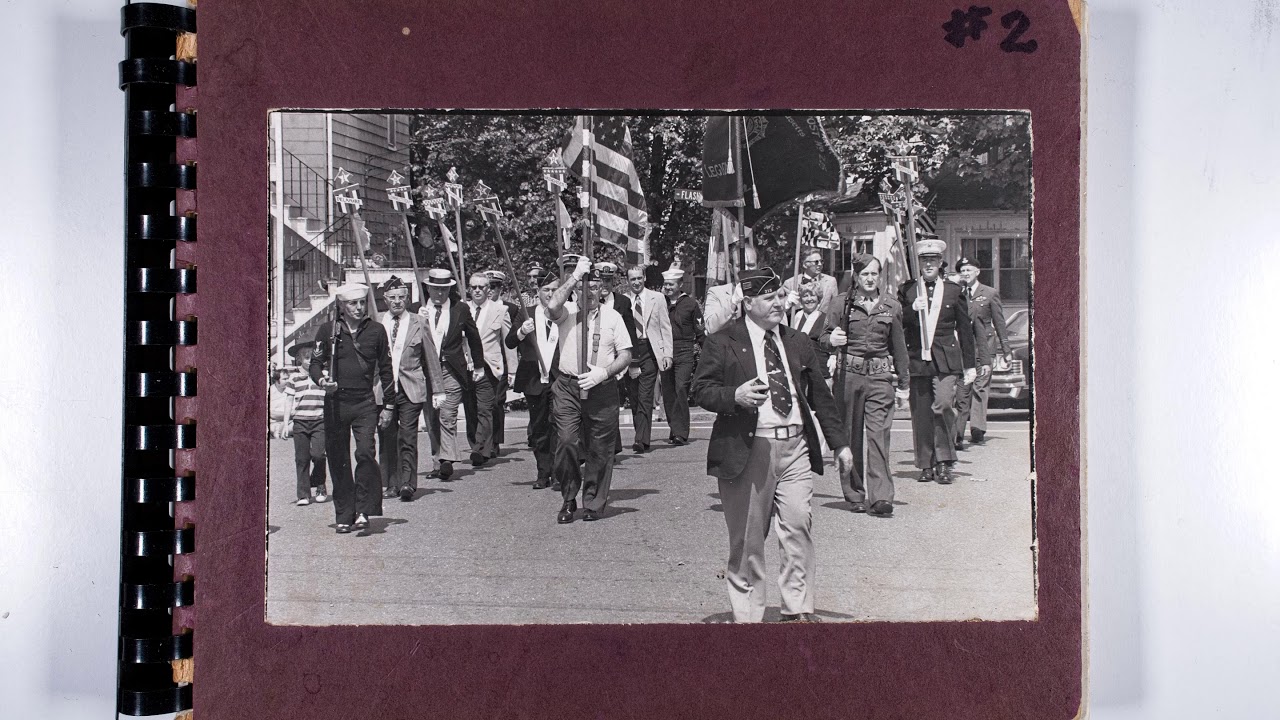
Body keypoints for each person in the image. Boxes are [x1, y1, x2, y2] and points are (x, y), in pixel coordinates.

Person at [690, 267, 852, 623]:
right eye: (769, 298)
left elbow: (820, 397)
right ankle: (749, 616)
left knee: (797, 527)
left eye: (780, 295)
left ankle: (797, 611)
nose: (780, 303)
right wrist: (734, 395)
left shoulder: (796, 340)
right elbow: (700, 389)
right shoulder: (722, 341)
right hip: (750, 450)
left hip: (794, 447)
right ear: (748, 303)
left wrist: (840, 444)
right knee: (749, 541)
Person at [545, 255, 633, 523]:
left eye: (595, 286)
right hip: (568, 386)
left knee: (600, 448)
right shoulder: (567, 312)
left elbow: (626, 354)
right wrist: (573, 277)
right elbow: (551, 305)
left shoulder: (613, 317)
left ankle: (593, 502)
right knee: (567, 441)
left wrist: (604, 373)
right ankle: (569, 498)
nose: (591, 292)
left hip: (601, 388)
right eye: (585, 286)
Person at [821, 254, 910, 517]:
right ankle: (855, 494)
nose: (870, 278)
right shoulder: (840, 304)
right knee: (850, 436)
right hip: (849, 376)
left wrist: (904, 384)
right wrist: (832, 340)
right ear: (856, 277)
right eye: (865, 274)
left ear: (880, 275)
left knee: (878, 436)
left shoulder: (891, 306)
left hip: (881, 378)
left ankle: (881, 496)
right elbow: (823, 337)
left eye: (874, 273)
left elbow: (899, 348)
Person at [309, 283, 396, 534]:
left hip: (365, 402)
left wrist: (388, 405)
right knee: (338, 458)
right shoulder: (328, 330)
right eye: (352, 304)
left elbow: (387, 370)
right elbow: (315, 363)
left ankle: (363, 510)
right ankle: (344, 514)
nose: (358, 308)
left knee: (366, 453)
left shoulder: (376, 331)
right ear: (342, 306)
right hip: (335, 402)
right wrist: (322, 380)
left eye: (361, 303)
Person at [898, 240, 977, 485]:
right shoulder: (908, 290)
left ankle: (945, 461)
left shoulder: (954, 291)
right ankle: (926, 464)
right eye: (924, 260)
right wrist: (911, 309)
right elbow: (898, 325)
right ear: (919, 263)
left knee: (942, 405)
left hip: (946, 358)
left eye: (933, 259)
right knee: (921, 413)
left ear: (941, 262)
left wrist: (970, 364)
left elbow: (965, 329)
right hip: (918, 359)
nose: (929, 264)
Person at [377, 277, 446, 502]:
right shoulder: (377, 322)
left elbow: (431, 357)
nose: (397, 302)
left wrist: (438, 389)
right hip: (384, 390)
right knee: (387, 436)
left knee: (408, 436)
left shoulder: (418, 322)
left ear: (407, 299)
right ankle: (389, 483)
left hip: (411, 388)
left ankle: (407, 483)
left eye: (401, 297)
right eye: (392, 297)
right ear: (385, 299)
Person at [417, 268, 485, 481]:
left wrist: (479, 366)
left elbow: (474, 338)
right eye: (435, 289)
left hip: (451, 369)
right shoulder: (416, 309)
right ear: (428, 288)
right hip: (425, 370)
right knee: (431, 417)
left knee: (447, 413)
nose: (439, 294)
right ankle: (437, 461)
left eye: (444, 290)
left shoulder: (460, 309)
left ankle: (447, 459)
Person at [506, 268, 561, 489]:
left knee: (559, 427)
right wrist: (521, 331)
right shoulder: (526, 312)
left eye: (554, 290)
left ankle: (558, 472)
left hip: (559, 378)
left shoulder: (565, 312)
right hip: (534, 379)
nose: (550, 294)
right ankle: (543, 472)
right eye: (546, 290)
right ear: (537, 292)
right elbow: (510, 342)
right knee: (539, 429)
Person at [954, 256, 1011, 447]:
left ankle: (977, 428)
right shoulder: (956, 293)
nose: (965, 274)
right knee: (963, 389)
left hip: (985, 348)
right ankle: (958, 431)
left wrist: (1006, 349)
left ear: (977, 272)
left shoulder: (989, 293)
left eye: (969, 270)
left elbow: (999, 323)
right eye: (962, 271)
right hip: (963, 350)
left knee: (979, 387)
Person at [622, 264, 672, 452]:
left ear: (644, 278)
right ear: (628, 281)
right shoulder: (624, 301)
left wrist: (667, 354)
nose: (636, 282)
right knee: (634, 396)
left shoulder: (657, 298)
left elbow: (665, 327)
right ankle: (640, 434)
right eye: (632, 279)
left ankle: (641, 439)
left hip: (650, 350)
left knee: (645, 395)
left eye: (639, 278)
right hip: (630, 352)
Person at [462, 272, 509, 466]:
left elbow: (507, 343)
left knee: (485, 408)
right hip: (466, 365)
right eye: (474, 287)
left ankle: (481, 449)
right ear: (469, 289)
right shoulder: (462, 310)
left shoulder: (500, 310)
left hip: (489, 366)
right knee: (470, 409)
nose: (477, 291)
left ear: (488, 290)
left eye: (481, 287)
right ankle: (476, 444)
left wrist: (511, 370)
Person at [594, 261, 639, 454]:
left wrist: (633, 363)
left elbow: (630, 334)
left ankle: (612, 447)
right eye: (601, 280)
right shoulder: (587, 300)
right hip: (596, 358)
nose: (604, 285)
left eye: (608, 281)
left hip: (617, 362)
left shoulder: (622, 302)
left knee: (613, 404)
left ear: (613, 282)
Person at [660, 267, 704, 446]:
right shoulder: (659, 302)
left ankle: (681, 432)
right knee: (668, 392)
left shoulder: (691, 304)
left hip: (684, 349)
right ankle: (674, 428)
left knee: (681, 388)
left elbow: (700, 331)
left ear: (680, 284)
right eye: (665, 284)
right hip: (664, 351)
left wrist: (707, 354)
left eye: (671, 284)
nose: (668, 287)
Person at [283, 341, 328, 506]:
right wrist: (285, 422)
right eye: (306, 357)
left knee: (318, 454)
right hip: (300, 422)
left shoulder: (324, 375)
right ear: (299, 358)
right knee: (301, 458)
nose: (310, 361)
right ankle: (303, 494)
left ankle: (320, 487)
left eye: (313, 357)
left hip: (320, 421)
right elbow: (288, 400)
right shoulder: (294, 377)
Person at [484, 269, 521, 452]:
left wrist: (513, 368)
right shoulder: (477, 308)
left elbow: (512, 340)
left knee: (497, 401)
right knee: (483, 403)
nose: (490, 290)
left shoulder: (510, 309)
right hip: (482, 361)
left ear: (500, 288)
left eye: (494, 286)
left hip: (501, 363)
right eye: (487, 286)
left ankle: (494, 441)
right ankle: (484, 440)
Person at [703, 244, 758, 335]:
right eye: (740, 265)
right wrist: (733, 303)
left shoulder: (767, 293)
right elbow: (710, 327)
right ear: (731, 268)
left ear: (758, 266)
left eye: (751, 265)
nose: (746, 269)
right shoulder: (716, 293)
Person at [786, 283, 833, 387]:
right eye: (805, 296)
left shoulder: (826, 319)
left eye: (812, 295)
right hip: (798, 372)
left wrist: (833, 356)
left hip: (820, 372)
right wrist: (786, 305)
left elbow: (833, 343)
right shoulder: (794, 316)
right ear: (800, 299)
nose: (809, 299)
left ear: (819, 298)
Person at [782, 248, 840, 319]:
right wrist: (787, 303)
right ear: (805, 265)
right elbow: (782, 311)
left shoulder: (831, 282)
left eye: (821, 261)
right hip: (798, 326)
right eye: (816, 262)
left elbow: (835, 309)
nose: (820, 264)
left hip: (822, 327)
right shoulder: (790, 283)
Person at [269, 368, 291, 439]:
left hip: (290, 423)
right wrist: (288, 414)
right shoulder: (269, 392)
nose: (287, 381)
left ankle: (280, 432)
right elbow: (270, 414)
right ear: (276, 380)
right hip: (273, 424)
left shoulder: (291, 391)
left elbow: (295, 412)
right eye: (284, 379)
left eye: (288, 378)